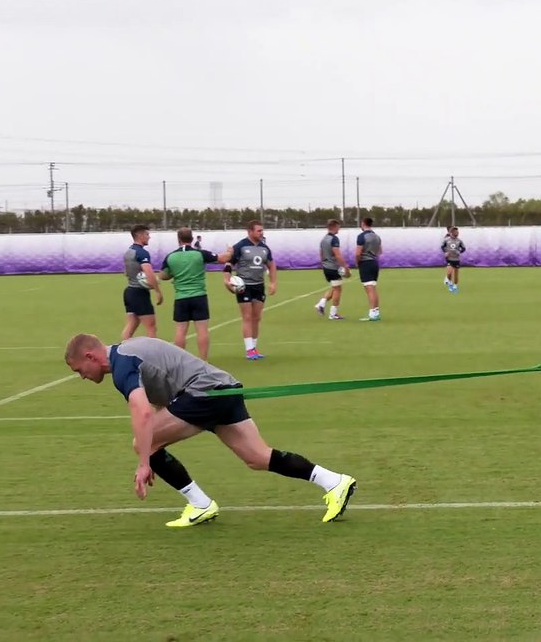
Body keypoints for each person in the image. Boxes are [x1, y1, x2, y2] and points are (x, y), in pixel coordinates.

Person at [63, 334, 357, 527]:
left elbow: (141, 413)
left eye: (79, 371)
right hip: (221, 389)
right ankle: (334, 482)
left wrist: (144, 462)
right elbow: (157, 401)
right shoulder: (127, 353)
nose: (82, 378)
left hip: (202, 394)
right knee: (257, 457)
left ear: (91, 357)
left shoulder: (122, 363)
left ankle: (200, 503)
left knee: (143, 443)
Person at [218, 220, 277, 360]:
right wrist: (226, 279)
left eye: (262, 230)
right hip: (244, 286)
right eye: (259, 230)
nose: (261, 233)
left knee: (257, 318)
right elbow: (229, 263)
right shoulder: (240, 246)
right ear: (250, 231)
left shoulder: (265, 248)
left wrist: (273, 282)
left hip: (259, 285)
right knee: (247, 317)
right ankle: (249, 349)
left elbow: (271, 265)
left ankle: (254, 348)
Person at [159, 228, 220, 360]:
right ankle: (203, 361)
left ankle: (180, 363)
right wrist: (230, 252)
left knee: (180, 331)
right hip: (199, 296)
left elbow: (163, 275)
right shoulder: (200, 254)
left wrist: (174, 274)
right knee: (202, 330)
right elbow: (222, 258)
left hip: (181, 298)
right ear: (192, 239)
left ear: (178, 240)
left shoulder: (171, 256)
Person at [122, 224, 164, 340]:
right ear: (139, 236)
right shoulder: (142, 253)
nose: (149, 237)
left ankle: (124, 352)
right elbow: (149, 273)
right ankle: (152, 356)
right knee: (151, 327)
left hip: (129, 292)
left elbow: (126, 272)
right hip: (139, 293)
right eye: (147, 234)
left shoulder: (128, 252)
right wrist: (158, 291)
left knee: (130, 326)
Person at [315, 219, 348, 320]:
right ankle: (333, 314)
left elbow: (321, 254)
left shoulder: (324, 239)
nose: (339, 229)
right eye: (338, 227)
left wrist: (324, 264)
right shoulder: (334, 239)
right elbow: (338, 255)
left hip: (326, 267)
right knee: (338, 289)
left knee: (334, 287)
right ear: (334, 227)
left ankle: (321, 304)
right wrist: (345, 267)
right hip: (333, 267)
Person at [354, 217, 383, 321]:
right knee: (373, 289)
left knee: (369, 289)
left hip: (365, 263)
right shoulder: (377, 236)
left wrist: (357, 263)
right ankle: (376, 312)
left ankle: (373, 313)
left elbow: (358, 253)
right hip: (374, 263)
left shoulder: (361, 236)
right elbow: (380, 251)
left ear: (363, 224)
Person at [442, 226, 466, 293]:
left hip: (456, 259)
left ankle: (455, 286)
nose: (456, 233)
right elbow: (442, 246)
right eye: (455, 232)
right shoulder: (446, 239)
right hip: (449, 258)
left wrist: (460, 252)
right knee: (449, 272)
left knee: (456, 274)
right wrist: (445, 252)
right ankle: (449, 282)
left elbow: (464, 249)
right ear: (451, 233)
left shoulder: (459, 241)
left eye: (457, 232)